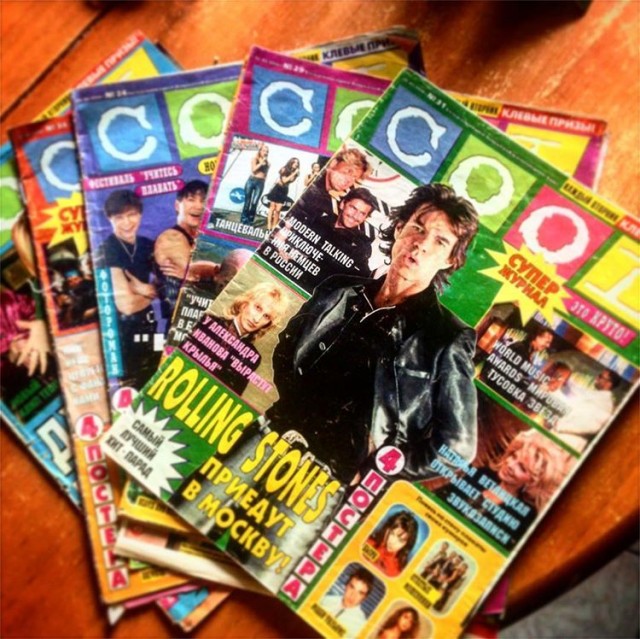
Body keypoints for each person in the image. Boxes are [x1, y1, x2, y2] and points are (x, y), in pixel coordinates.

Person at [264, 183, 480, 484]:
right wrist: (292, 403)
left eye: (440, 241)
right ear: (399, 228)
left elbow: (458, 446)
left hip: (332, 478)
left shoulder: (447, 336)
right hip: (274, 430)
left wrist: (373, 468)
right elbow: (288, 345)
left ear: (450, 260)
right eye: (417, 228)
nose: (421, 244)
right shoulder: (339, 287)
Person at [94, 189, 160, 388]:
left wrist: (145, 289)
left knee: (158, 374)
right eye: (119, 217)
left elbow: (174, 285)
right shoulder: (106, 250)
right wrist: (153, 292)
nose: (127, 222)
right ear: (109, 219)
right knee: (135, 387)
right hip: (122, 335)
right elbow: (127, 305)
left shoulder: (147, 245)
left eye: (132, 215)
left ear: (140, 214)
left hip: (151, 327)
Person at [184, 282, 288, 395]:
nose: (257, 319)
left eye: (266, 316)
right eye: (258, 308)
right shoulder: (205, 321)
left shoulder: (251, 357)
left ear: (267, 324)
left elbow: (231, 396)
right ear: (244, 303)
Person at [154, 180, 208, 317]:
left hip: (200, 317)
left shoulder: (202, 239)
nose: (199, 206)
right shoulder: (171, 238)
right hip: (179, 321)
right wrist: (196, 275)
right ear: (177, 205)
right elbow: (193, 275)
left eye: (203, 201)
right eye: (191, 200)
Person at [550, 368, 619, 452]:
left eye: (600, 376)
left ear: (609, 383)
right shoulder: (597, 396)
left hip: (567, 443)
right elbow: (576, 394)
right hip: (559, 437)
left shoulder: (605, 404)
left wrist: (560, 425)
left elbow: (593, 426)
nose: (597, 377)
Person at [296, 147, 371, 220]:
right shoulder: (314, 188)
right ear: (333, 163)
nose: (349, 181)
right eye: (348, 172)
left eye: (354, 178)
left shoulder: (325, 197)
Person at [320, 566, 375, 636]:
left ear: (365, 597)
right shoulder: (325, 600)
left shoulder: (361, 626)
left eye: (360, 593)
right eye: (352, 587)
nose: (353, 596)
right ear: (346, 585)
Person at [365, 510, 418, 577]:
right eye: (392, 533)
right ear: (386, 528)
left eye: (400, 540)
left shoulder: (398, 572)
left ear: (406, 544)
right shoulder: (366, 542)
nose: (392, 541)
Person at [266, 157, 300, 230]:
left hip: (284, 190)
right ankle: (269, 225)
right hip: (277, 189)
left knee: (278, 210)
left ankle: (274, 225)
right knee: (272, 207)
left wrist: (294, 174)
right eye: (294, 162)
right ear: (291, 162)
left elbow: (290, 181)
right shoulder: (284, 169)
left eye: (297, 163)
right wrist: (293, 173)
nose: (296, 164)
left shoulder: (295, 173)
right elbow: (284, 181)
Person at [241, 142, 270, 224]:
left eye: (267, 151)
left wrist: (263, 181)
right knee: (247, 201)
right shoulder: (255, 159)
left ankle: (250, 220)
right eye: (264, 151)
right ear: (260, 151)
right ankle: (244, 219)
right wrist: (261, 163)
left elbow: (265, 174)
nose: (266, 152)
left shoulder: (268, 163)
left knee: (254, 202)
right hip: (251, 180)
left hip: (260, 183)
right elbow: (253, 170)